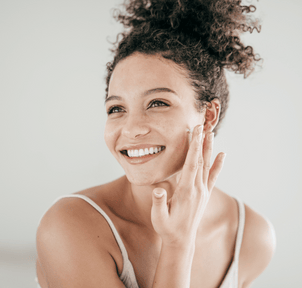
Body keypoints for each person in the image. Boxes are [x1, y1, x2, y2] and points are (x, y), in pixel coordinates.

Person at [35, 0, 276, 287]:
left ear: (208, 115)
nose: (132, 128)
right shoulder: (71, 225)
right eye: (116, 109)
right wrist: (178, 242)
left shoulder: (250, 237)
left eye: (157, 103)